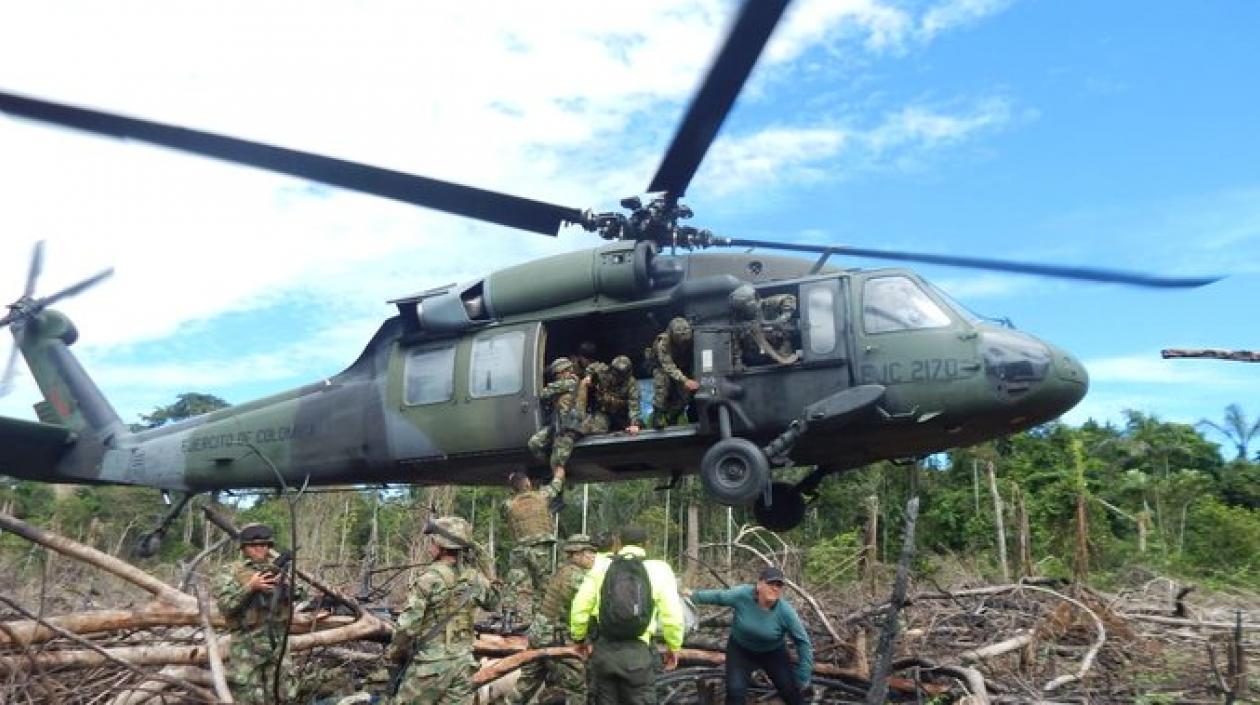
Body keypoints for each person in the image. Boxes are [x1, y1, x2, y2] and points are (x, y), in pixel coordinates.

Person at [386, 516, 500, 705]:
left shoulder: (428, 579)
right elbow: (494, 603)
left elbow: (407, 628)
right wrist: (486, 567)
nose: (429, 546)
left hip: (430, 668)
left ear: (441, 545)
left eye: (432, 541)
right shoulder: (475, 579)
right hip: (464, 666)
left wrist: (395, 653)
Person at [570, 526, 685, 705]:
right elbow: (673, 616)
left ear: (619, 543)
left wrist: (578, 639)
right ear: (647, 544)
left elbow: (580, 607)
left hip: (604, 652)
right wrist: (674, 646)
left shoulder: (601, 568)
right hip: (639, 654)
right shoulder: (660, 570)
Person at [685, 566, 813, 705]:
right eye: (770, 583)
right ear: (759, 585)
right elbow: (719, 596)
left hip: (773, 653)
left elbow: (803, 642)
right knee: (735, 691)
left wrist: (803, 675)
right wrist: (693, 595)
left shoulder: (786, 612)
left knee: (790, 690)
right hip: (740, 650)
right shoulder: (742, 595)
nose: (775, 588)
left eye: (779, 585)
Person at [211, 523, 308, 705]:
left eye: (264, 545)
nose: (260, 549)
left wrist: (284, 585)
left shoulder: (278, 570)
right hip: (246, 646)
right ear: (244, 548)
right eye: (254, 546)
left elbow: (302, 594)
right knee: (247, 696)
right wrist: (250, 587)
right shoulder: (230, 572)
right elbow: (225, 606)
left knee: (283, 694)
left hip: (277, 643)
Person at [509, 534, 598, 705]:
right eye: (590, 553)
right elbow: (589, 606)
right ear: (577, 553)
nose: (593, 557)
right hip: (557, 639)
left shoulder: (563, 571)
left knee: (525, 686)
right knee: (577, 688)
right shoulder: (577, 576)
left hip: (541, 635)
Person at [502, 468, 565, 598]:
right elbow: (556, 485)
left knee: (514, 584)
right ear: (528, 484)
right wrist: (559, 472)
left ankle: (508, 614)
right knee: (543, 585)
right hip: (540, 547)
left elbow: (505, 517)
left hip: (520, 548)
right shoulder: (542, 496)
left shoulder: (508, 504)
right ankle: (539, 615)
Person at [528, 357, 591, 474]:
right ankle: (548, 468)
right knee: (534, 443)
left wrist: (551, 388)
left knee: (557, 462)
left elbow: (544, 393)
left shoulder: (572, 382)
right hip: (557, 424)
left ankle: (556, 473)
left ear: (566, 371)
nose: (557, 377)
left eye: (558, 374)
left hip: (570, 426)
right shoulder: (564, 384)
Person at [646, 317, 699, 430]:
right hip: (661, 367)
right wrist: (685, 380)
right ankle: (658, 415)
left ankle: (672, 416)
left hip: (682, 366)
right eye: (679, 336)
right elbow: (667, 365)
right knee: (662, 382)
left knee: (685, 395)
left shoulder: (695, 336)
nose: (683, 339)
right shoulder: (663, 342)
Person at [729, 284, 798, 368]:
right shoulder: (741, 320)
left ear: (755, 300)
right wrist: (738, 361)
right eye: (740, 308)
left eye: (744, 306)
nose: (743, 310)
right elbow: (734, 340)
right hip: (756, 357)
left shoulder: (767, 304)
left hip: (779, 353)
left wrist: (780, 320)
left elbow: (790, 298)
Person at [590, 355, 642, 435]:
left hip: (621, 414)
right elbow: (589, 369)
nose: (618, 378)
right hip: (603, 411)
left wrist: (634, 424)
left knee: (634, 432)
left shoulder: (631, 383)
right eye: (616, 373)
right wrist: (589, 379)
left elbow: (634, 405)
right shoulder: (602, 372)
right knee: (597, 430)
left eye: (621, 375)